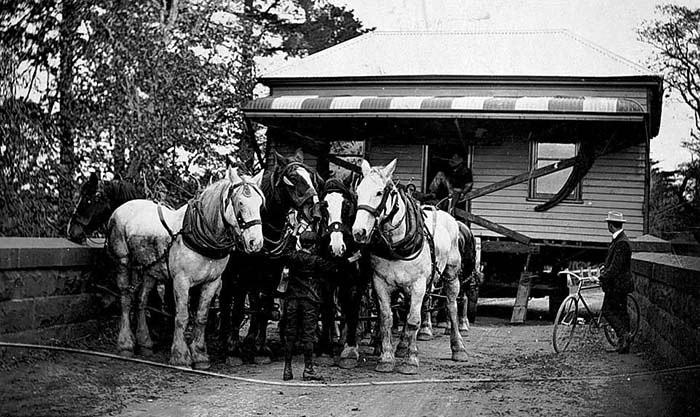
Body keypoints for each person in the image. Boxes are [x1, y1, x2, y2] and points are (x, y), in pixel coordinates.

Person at [279, 230, 337, 381]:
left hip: (292, 299)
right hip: (310, 300)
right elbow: (333, 269)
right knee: (308, 335)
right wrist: (350, 259)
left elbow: (286, 250)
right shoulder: (316, 260)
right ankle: (308, 369)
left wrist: (292, 236)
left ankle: (287, 370)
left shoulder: (292, 256)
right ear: (314, 245)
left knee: (290, 333)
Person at [598, 211, 634, 354]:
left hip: (617, 285)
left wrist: (603, 277)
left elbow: (615, 268)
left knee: (607, 311)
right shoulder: (619, 240)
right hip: (619, 284)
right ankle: (624, 345)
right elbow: (613, 264)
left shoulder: (621, 242)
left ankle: (624, 335)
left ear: (610, 225)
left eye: (608, 223)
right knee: (621, 313)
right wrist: (604, 268)